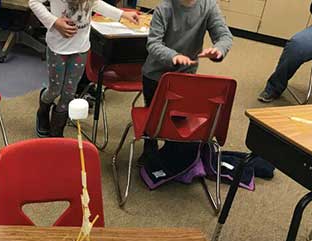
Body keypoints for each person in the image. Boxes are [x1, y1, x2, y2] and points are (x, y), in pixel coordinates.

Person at [139, 0, 232, 173]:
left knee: (179, 119)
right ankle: (149, 147)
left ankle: (170, 155)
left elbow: (225, 36)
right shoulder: (164, 8)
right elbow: (153, 43)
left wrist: (219, 50)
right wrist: (173, 56)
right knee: (154, 117)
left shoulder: (208, 6)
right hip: (155, 75)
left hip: (186, 78)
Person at [29, 0, 139, 137]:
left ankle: (57, 132)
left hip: (81, 49)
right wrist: (54, 22)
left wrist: (122, 14)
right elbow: (34, 2)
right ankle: (43, 110)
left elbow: (96, 3)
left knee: (69, 94)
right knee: (54, 90)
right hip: (58, 49)